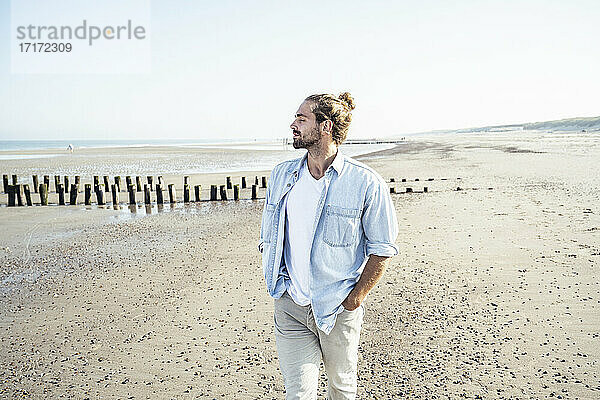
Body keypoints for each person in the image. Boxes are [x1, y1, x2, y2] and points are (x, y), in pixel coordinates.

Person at [259, 92, 399, 399]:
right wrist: (276, 282)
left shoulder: (365, 182)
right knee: (298, 394)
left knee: (341, 388)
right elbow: (269, 233)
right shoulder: (282, 175)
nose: (293, 124)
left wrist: (355, 298)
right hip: (289, 305)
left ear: (325, 126)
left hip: (336, 307)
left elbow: (383, 247)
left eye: (301, 118)